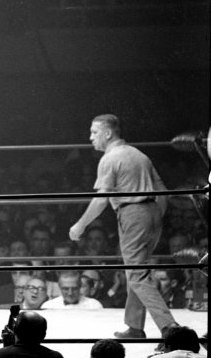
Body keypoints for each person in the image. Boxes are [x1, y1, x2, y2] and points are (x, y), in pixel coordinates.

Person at [69, 114, 177, 338]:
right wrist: (154, 214)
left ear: (108, 133)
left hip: (133, 213)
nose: (90, 138)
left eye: (94, 132)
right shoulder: (139, 154)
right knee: (136, 271)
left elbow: (101, 199)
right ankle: (135, 327)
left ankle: (170, 330)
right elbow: (163, 191)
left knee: (137, 274)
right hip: (150, 213)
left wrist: (80, 225)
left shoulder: (110, 158)